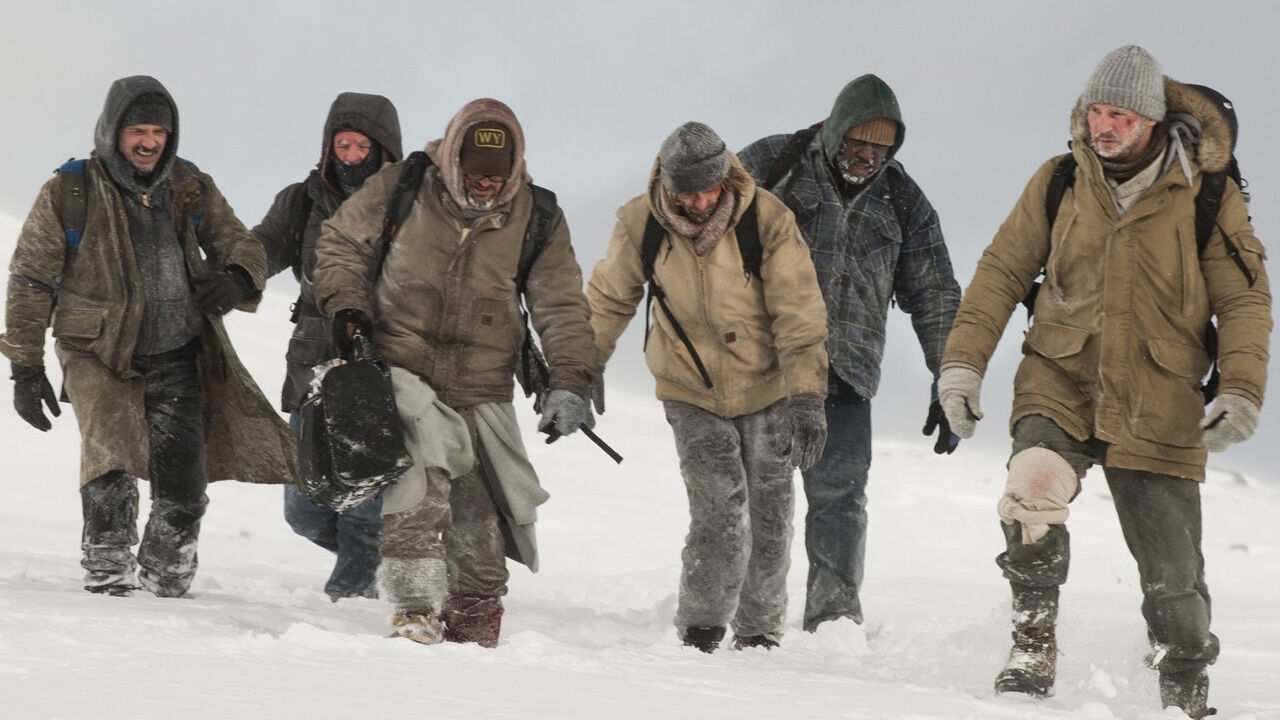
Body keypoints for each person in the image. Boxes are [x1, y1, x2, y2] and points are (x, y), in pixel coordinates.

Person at [937, 46, 1270, 717]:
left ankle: (1182, 681)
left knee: (1175, 588)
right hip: (1059, 376)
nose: (1104, 125)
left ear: (1151, 119)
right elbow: (1002, 270)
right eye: (1096, 110)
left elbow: (1244, 299)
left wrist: (1240, 388)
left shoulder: (1208, 193)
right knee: (1032, 486)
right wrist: (963, 365)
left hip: (1160, 400)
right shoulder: (1059, 179)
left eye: (1119, 113)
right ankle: (1032, 646)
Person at [313, 98, 597, 647]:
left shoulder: (538, 215)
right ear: (454, 160)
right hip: (402, 368)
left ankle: (475, 617)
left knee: (480, 525)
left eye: (497, 175)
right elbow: (341, 244)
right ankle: (413, 612)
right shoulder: (406, 185)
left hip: (482, 384)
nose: (486, 184)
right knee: (418, 493)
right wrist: (347, 307)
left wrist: (569, 380)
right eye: (474, 172)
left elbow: (560, 306)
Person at [0, 75, 297, 598]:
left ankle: (168, 574)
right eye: (137, 129)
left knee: (184, 486)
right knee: (109, 463)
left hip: (178, 352)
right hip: (97, 352)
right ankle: (108, 571)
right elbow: (30, 278)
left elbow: (241, 243)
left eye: (159, 131)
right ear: (113, 130)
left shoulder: (189, 185)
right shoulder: (71, 190)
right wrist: (25, 367)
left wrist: (235, 279)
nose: (148, 141)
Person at [587, 122, 829, 652]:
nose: (697, 202)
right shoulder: (640, 222)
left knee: (770, 516)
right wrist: (578, 373)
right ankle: (700, 630)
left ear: (725, 179)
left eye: (707, 189)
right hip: (688, 388)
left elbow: (799, 311)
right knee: (720, 511)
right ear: (666, 183)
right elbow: (608, 299)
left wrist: (807, 395)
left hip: (765, 385)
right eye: (685, 191)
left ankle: (759, 632)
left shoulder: (767, 218)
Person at [738, 74, 962, 635]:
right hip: (760, 364)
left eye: (880, 148)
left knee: (840, 500)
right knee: (744, 493)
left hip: (845, 373)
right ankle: (730, 608)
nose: (867, 156)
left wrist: (951, 378)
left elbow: (935, 294)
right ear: (835, 130)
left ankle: (833, 620)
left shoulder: (904, 200)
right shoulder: (775, 161)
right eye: (857, 143)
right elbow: (699, 224)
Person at [253, 92, 403, 601]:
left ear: (384, 150)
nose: (352, 154)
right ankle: (381, 561)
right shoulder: (302, 199)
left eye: (363, 144)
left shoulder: (411, 205)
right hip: (314, 367)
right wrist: (228, 274)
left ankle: (353, 599)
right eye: (343, 143)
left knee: (363, 505)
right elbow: (263, 247)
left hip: (380, 369)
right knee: (304, 509)